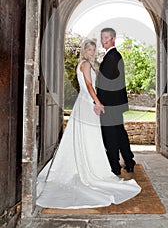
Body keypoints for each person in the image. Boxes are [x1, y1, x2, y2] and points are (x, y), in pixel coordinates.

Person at [36, 39, 141, 209]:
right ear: (84, 52)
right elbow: (90, 86)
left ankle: (90, 162)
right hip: (87, 103)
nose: (92, 52)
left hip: (86, 103)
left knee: (90, 137)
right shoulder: (85, 64)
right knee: (90, 136)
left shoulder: (88, 65)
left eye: (94, 49)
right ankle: (90, 167)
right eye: (89, 49)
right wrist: (98, 102)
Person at [95, 28, 136, 176]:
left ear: (113, 39)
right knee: (119, 134)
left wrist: (100, 104)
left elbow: (106, 85)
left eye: (106, 37)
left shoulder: (112, 57)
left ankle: (114, 167)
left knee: (110, 136)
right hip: (115, 104)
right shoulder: (113, 56)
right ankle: (129, 162)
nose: (103, 40)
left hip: (109, 105)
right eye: (102, 37)